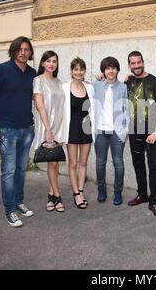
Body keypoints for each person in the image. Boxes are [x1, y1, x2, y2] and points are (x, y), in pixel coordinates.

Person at [0, 36, 36, 227]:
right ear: (14, 51)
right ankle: (10, 210)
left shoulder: (32, 73)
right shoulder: (1, 70)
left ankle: (18, 202)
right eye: (20, 49)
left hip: (26, 129)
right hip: (6, 129)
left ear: (31, 53)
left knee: (21, 169)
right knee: (8, 171)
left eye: (27, 49)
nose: (23, 53)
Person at [126, 51, 156, 218]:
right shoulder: (128, 82)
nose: (136, 66)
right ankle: (142, 194)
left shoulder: (155, 82)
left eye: (138, 62)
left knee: (154, 166)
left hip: (152, 132)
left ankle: (154, 200)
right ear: (129, 65)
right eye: (133, 63)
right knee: (138, 164)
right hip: (134, 131)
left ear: (143, 62)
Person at [33, 50, 67, 213]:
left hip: (59, 126)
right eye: (48, 61)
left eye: (54, 61)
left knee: (55, 162)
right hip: (48, 125)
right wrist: (48, 129)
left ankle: (51, 193)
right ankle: (57, 196)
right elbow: (40, 105)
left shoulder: (59, 81)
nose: (51, 64)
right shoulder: (38, 80)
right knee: (51, 162)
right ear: (42, 63)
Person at [93, 57, 130, 206]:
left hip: (116, 133)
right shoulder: (96, 85)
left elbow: (127, 110)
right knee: (100, 163)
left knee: (118, 163)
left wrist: (125, 131)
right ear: (104, 70)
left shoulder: (123, 87)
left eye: (113, 68)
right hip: (100, 132)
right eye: (108, 68)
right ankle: (101, 190)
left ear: (117, 70)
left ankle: (118, 192)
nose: (111, 71)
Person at [62, 57, 95, 209]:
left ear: (84, 71)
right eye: (75, 69)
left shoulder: (90, 87)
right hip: (71, 128)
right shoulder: (64, 87)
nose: (78, 72)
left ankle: (80, 190)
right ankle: (76, 193)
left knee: (83, 162)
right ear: (71, 71)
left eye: (81, 69)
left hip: (86, 127)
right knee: (73, 162)